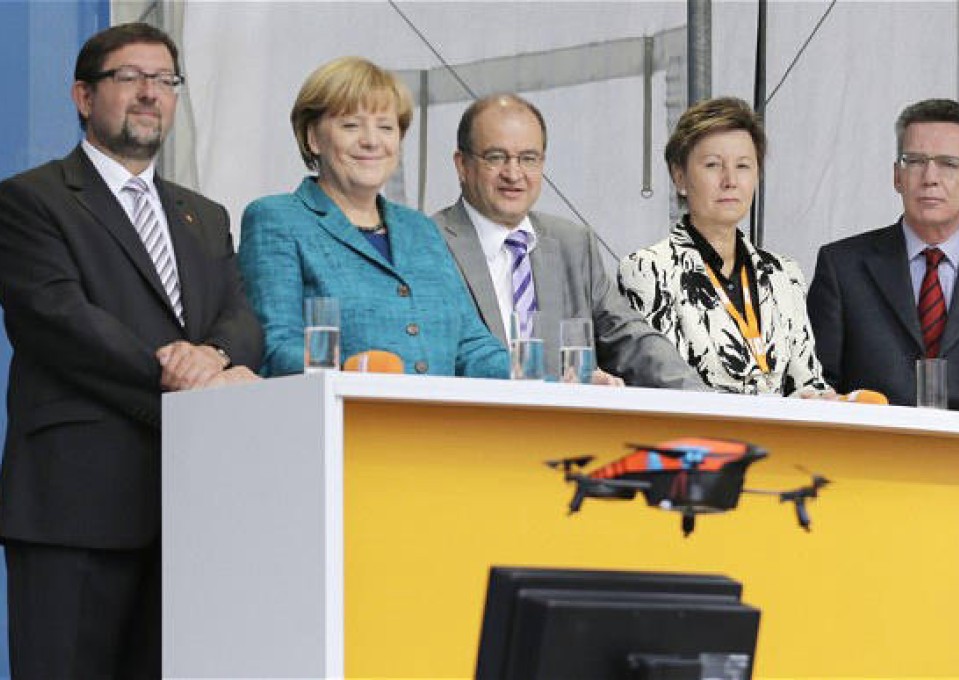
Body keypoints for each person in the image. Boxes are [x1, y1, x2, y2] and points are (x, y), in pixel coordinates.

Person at [0, 22, 263, 678]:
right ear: (83, 96)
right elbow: (60, 321)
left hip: (192, 508)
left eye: (165, 80)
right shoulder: (30, 200)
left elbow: (241, 318)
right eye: (131, 77)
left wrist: (213, 356)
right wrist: (180, 371)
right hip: (76, 507)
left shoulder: (204, 214)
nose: (151, 93)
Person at [239, 57, 507, 378]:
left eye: (386, 127)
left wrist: (540, 377)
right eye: (351, 125)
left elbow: (471, 346)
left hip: (436, 412)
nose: (371, 141)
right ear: (313, 138)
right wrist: (352, 374)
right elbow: (276, 346)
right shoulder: (277, 219)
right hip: (344, 409)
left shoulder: (421, 229)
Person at [432, 94, 703, 389]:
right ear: (462, 165)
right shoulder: (430, 243)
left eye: (528, 158)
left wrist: (703, 398)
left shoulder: (573, 244)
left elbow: (631, 339)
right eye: (496, 157)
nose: (513, 173)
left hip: (565, 419)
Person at [807, 98, 959, 413]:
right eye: (915, 161)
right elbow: (814, 388)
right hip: (871, 442)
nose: (930, 177)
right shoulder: (842, 267)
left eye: (948, 163)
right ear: (897, 176)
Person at [618, 97, 829, 395]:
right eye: (713, 165)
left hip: (780, 428)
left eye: (743, 166)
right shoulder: (647, 270)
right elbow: (660, 383)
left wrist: (829, 398)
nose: (730, 180)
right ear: (679, 176)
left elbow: (807, 382)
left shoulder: (784, 274)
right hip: (695, 425)